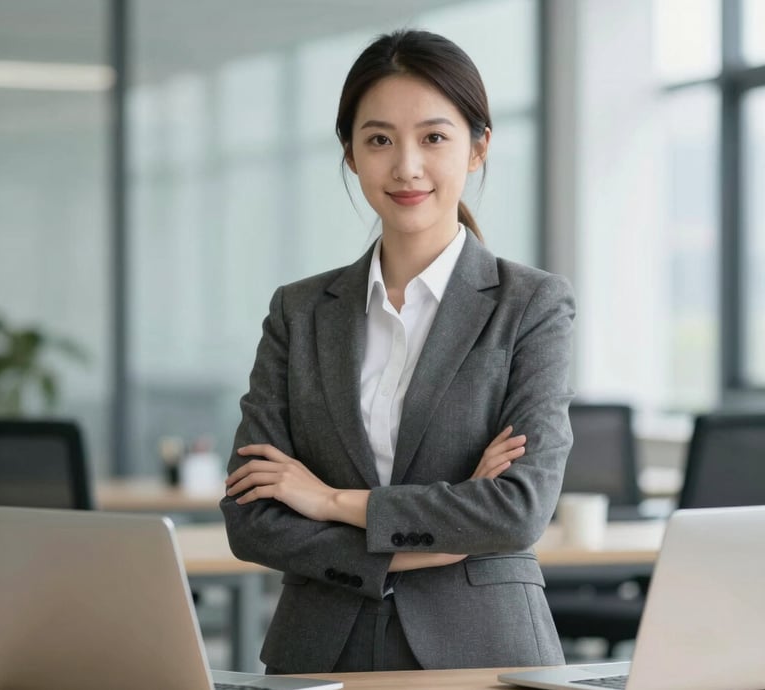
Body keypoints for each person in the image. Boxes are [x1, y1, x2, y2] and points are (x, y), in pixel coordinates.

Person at [221, 29, 574, 674]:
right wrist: (438, 537)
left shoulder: (531, 305)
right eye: (379, 139)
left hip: (483, 653)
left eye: (434, 137)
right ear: (351, 155)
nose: (406, 166)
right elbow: (252, 518)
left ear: (477, 147)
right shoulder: (299, 313)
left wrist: (328, 500)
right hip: (321, 653)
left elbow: (517, 509)